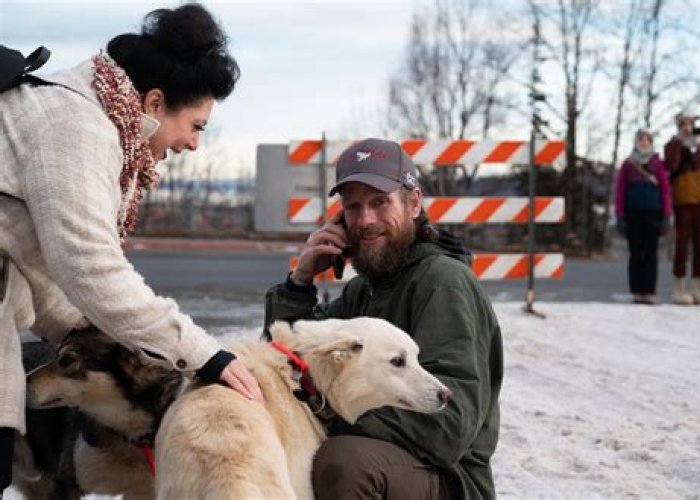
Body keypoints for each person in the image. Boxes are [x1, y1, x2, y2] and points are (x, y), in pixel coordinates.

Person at [0, 4, 263, 494]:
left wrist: (78, 327)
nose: (193, 144)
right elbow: (91, 267)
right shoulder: (75, 127)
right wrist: (205, 356)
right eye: (196, 125)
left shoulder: (88, 119)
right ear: (155, 102)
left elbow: (34, 256)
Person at [264, 138, 503, 499]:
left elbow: (451, 421)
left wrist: (331, 420)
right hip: (391, 458)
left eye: (379, 202)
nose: (365, 220)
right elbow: (289, 362)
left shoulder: (442, 283)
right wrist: (300, 282)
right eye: (353, 207)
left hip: (447, 477)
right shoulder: (365, 289)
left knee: (342, 462)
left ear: (413, 203)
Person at [664, 111, 700, 305]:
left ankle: (698, 289)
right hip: (683, 198)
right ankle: (679, 288)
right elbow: (671, 165)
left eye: (690, 123)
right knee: (682, 243)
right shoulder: (673, 144)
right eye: (683, 123)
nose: (687, 127)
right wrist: (679, 143)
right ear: (679, 125)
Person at [614, 129, 672, 304]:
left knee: (651, 253)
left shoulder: (658, 164)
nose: (643, 142)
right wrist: (619, 215)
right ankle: (636, 291)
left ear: (651, 143)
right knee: (635, 253)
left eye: (646, 140)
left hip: (653, 213)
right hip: (632, 213)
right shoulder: (628, 164)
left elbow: (665, 190)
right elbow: (620, 190)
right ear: (636, 142)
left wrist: (666, 215)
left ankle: (649, 291)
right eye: (640, 139)